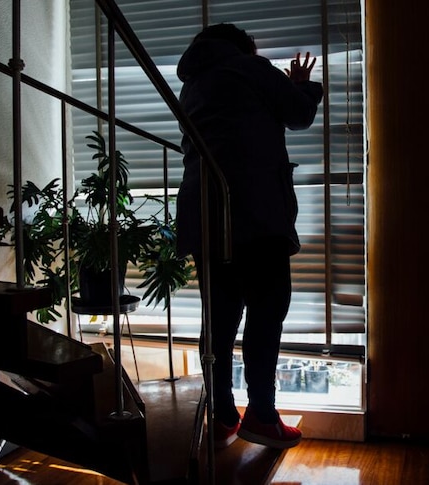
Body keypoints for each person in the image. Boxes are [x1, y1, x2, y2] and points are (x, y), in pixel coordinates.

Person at [175, 23, 323, 449]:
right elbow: (298, 115)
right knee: (266, 313)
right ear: (244, 47)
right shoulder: (250, 69)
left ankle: (221, 415)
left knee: (219, 321)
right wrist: (302, 87)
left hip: (205, 214)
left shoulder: (193, 85)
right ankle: (261, 416)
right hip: (255, 211)